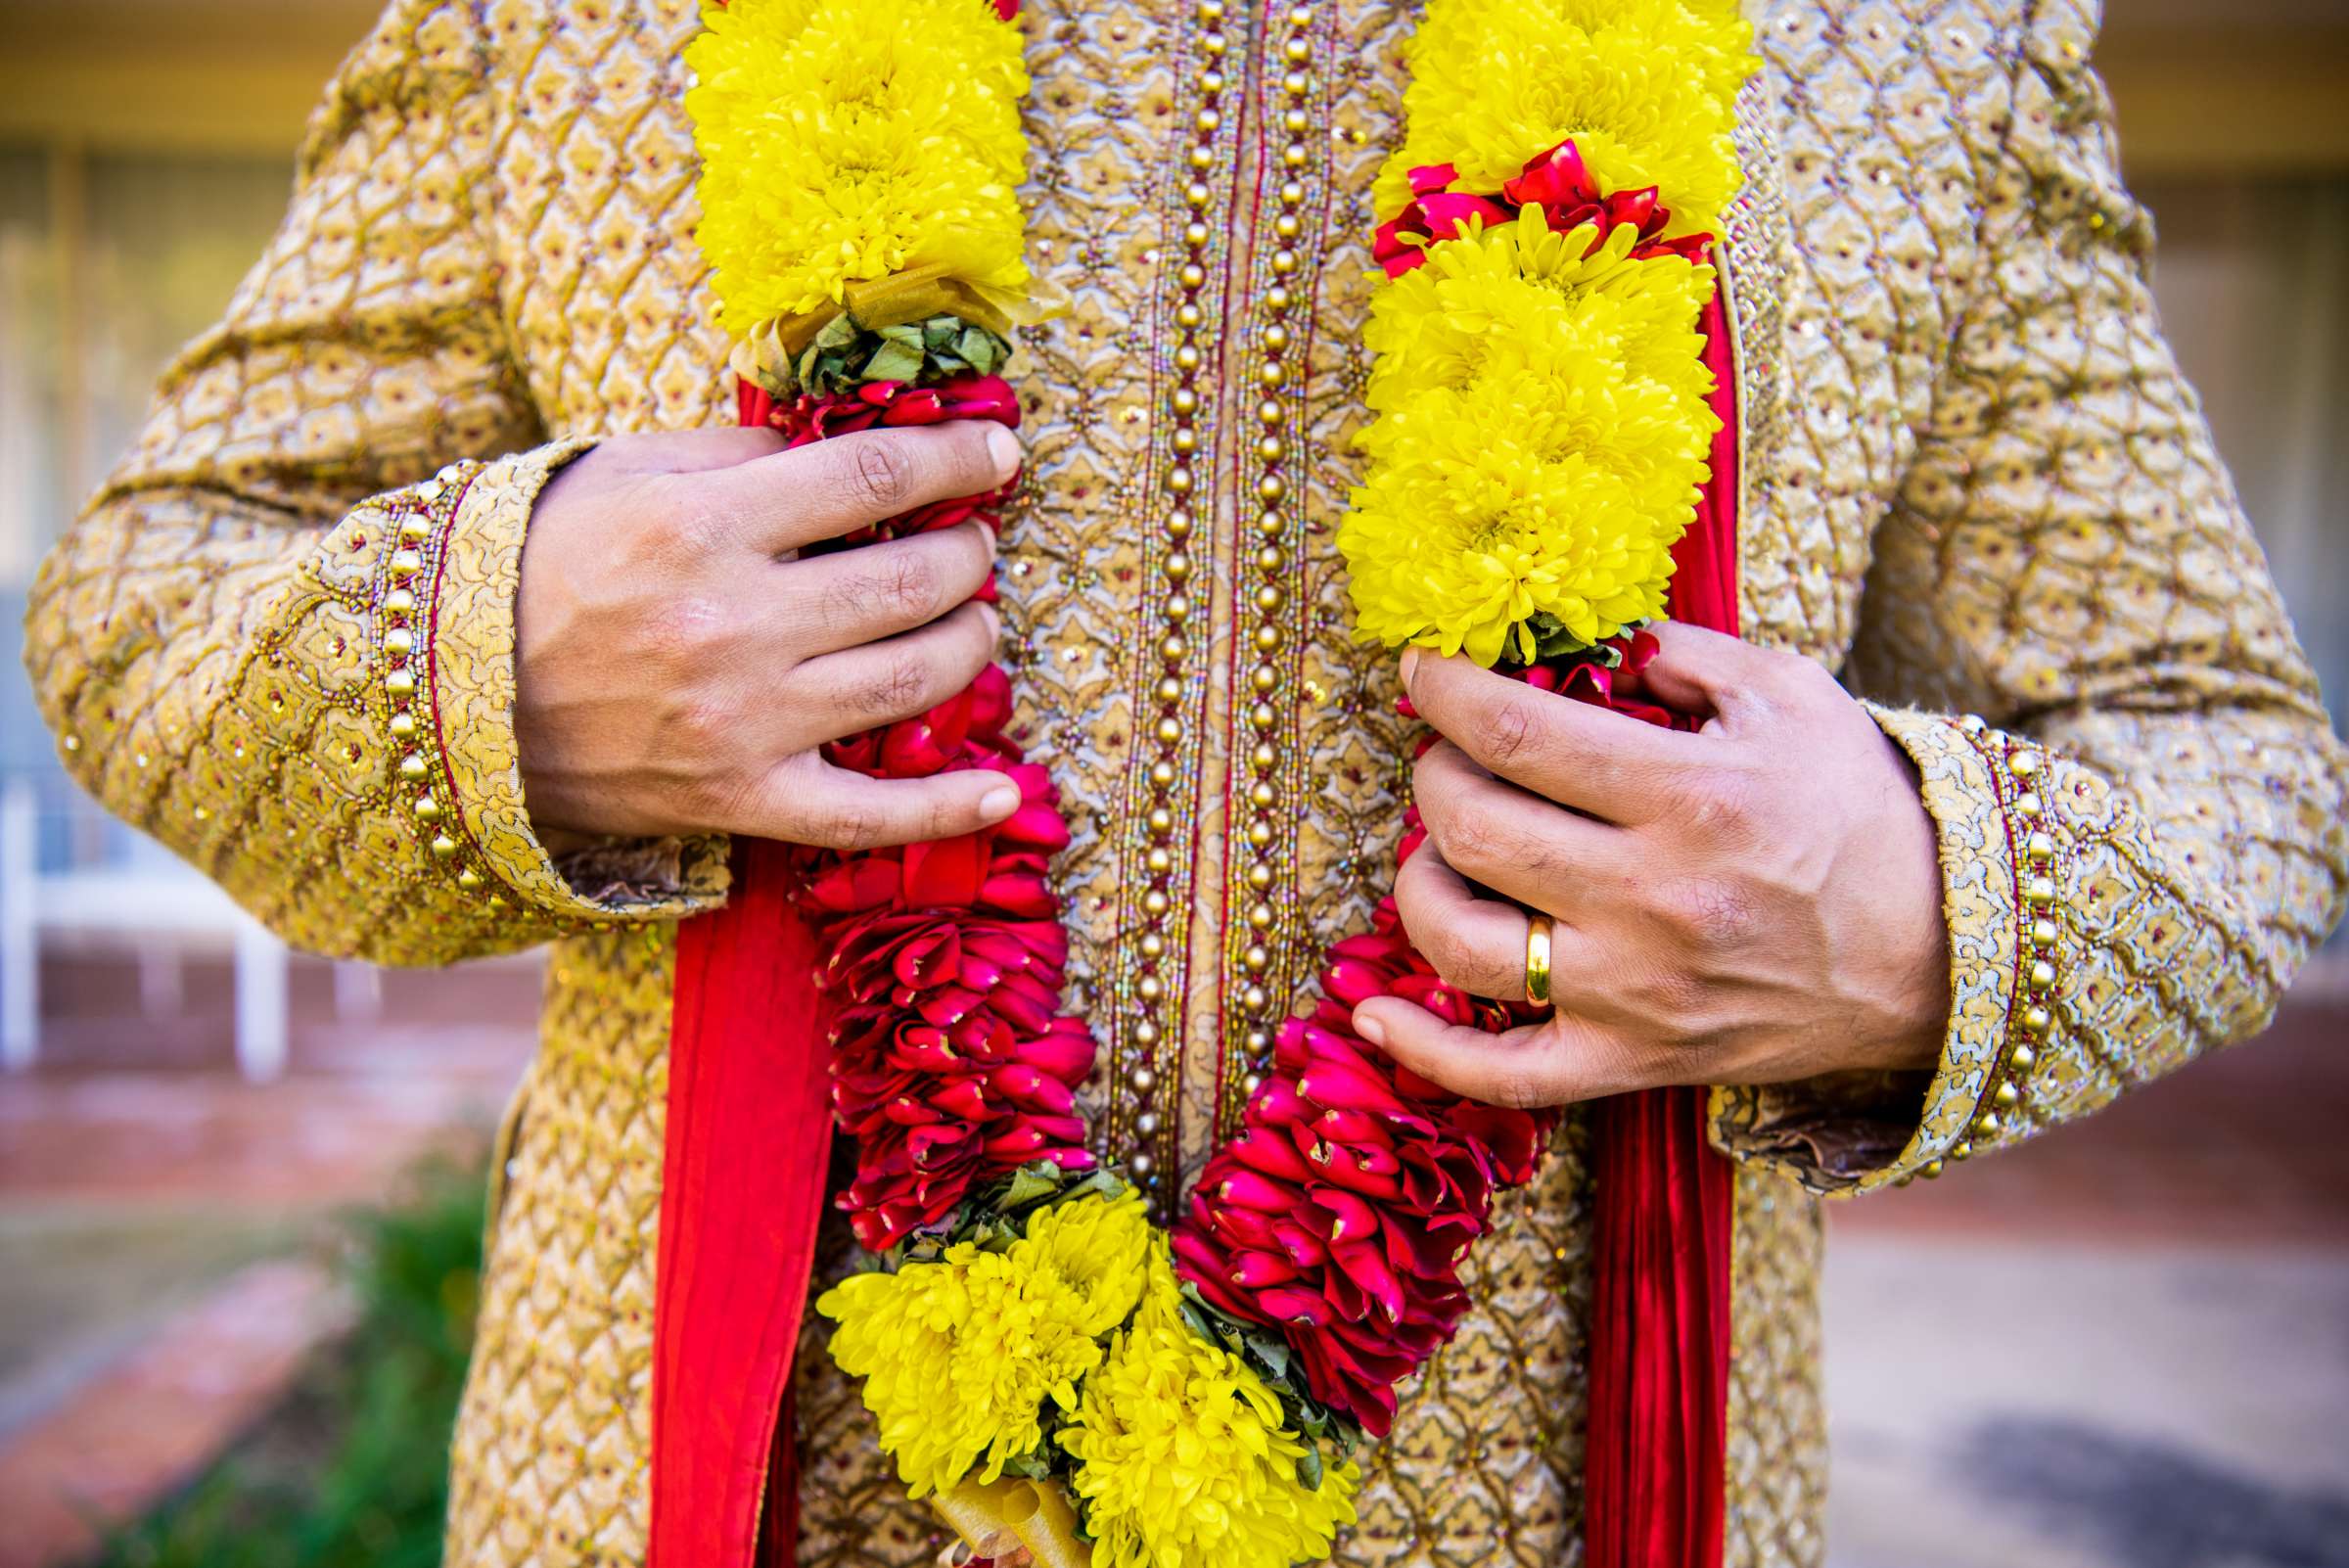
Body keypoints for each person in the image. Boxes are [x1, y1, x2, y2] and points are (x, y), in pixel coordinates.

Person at [22, 0, 2346, 1563]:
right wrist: (496, 651)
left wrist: (1919, 902)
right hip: (694, 1487)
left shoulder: (1925, 36)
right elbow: (140, 605)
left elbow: (2233, 762)